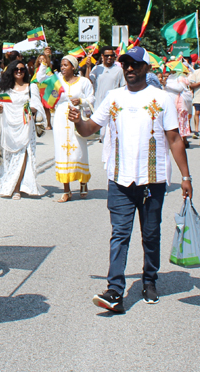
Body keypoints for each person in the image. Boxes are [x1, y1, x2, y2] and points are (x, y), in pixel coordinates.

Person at [68, 46, 192, 313]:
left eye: (135, 65)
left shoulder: (161, 98)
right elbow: (90, 128)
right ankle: (115, 291)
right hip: (119, 180)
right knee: (120, 234)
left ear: (146, 68)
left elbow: (174, 139)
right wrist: (79, 121)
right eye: (126, 65)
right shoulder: (113, 98)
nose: (130, 69)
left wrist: (185, 176)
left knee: (150, 234)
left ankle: (149, 280)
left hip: (152, 180)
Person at [38, 54, 94, 201]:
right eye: (61, 65)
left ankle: (83, 182)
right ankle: (66, 190)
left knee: (79, 150)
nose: (62, 68)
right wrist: (44, 63)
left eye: (66, 65)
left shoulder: (84, 81)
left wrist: (81, 100)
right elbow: (40, 80)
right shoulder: (56, 81)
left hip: (77, 118)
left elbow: (91, 98)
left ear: (73, 67)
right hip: (61, 118)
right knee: (62, 152)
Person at [0, 60, 46, 199]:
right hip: (8, 126)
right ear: (11, 71)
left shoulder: (31, 87)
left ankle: (16, 188)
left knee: (23, 156)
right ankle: (7, 183)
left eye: (22, 69)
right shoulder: (5, 88)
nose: (19, 71)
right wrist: (0, 110)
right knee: (9, 157)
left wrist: (32, 109)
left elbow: (37, 105)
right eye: (16, 69)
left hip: (25, 126)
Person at [165, 67, 192, 148]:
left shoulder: (180, 77)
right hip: (171, 102)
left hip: (180, 103)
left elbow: (180, 88)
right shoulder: (169, 77)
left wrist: (166, 85)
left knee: (181, 121)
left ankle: (184, 140)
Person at [36, 54, 53, 129]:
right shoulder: (37, 68)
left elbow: (50, 78)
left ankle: (49, 124)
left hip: (45, 89)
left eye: (43, 58)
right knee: (37, 106)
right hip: (38, 89)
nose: (41, 60)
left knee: (46, 107)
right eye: (40, 59)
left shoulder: (47, 68)